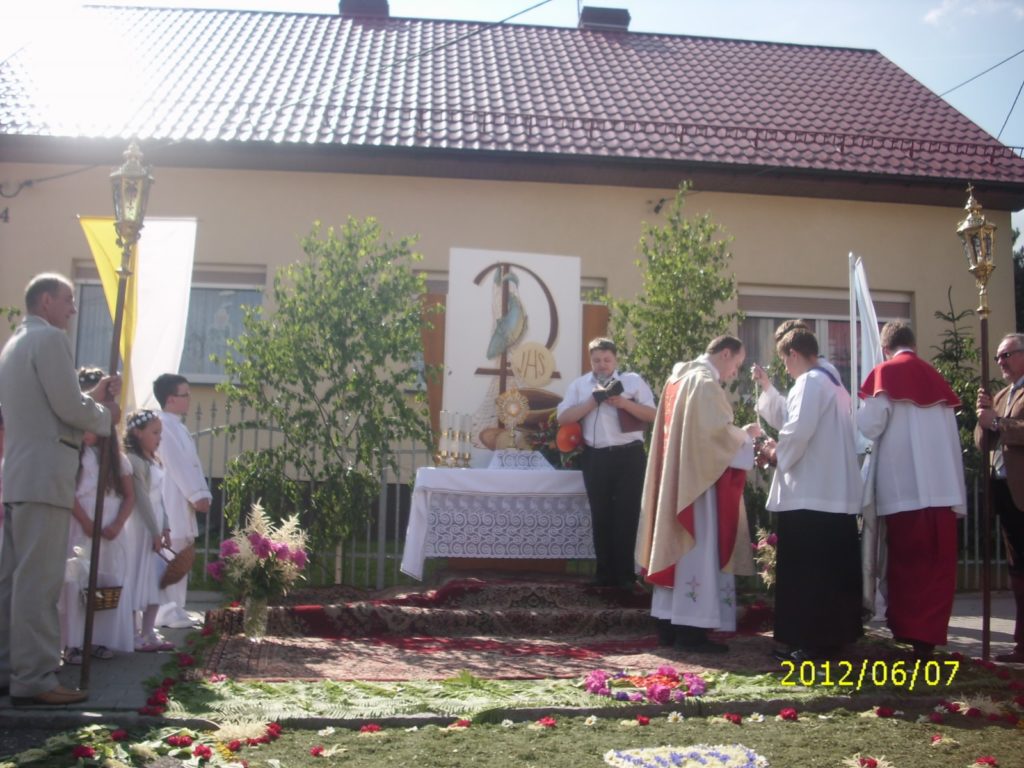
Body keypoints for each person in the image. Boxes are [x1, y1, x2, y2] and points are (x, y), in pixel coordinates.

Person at [0, 273, 120, 706]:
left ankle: (9, 668)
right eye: (68, 299)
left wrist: (91, 396)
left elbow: (50, 401)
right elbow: (68, 407)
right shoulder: (50, 340)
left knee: (13, 582)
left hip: (21, 476)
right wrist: (105, 415)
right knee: (39, 583)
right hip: (46, 474)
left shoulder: (14, 344)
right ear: (46, 300)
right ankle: (35, 677)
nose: (73, 308)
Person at [635, 335, 760, 652]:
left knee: (675, 549)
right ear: (725, 353)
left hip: (675, 483)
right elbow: (716, 439)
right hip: (697, 487)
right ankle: (692, 632)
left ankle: (667, 624)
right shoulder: (704, 383)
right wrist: (745, 436)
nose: (734, 372)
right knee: (697, 549)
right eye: (736, 364)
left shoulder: (677, 378)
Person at [857, 321, 966, 659]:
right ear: (914, 344)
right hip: (943, 489)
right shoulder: (935, 377)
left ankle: (908, 630)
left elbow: (870, 425)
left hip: (904, 490)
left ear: (885, 349)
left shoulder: (885, 373)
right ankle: (927, 637)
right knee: (936, 569)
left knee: (906, 567)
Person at [759, 326, 862, 660]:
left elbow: (798, 431)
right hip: (833, 495)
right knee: (832, 574)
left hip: (811, 495)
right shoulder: (834, 383)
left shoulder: (810, 382)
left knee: (808, 574)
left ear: (793, 354)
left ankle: (808, 642)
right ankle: (831, 640)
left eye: (784, 361)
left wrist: (775, 453)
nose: (786, 369)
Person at [557, 338, 656, 588]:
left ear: (615, 360)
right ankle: (603, 574)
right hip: (596, 457)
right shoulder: (580, 385)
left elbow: (653, 414)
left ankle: (625, 576)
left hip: (629, 456)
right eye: (597, 360)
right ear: (590, 361)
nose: (602, 365)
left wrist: (623, 402)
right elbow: (563, 417)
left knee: (627, 514)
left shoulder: (632, 381)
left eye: (606, 360)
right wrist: (592, 402)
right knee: (600, 514)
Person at [62, 425, 136, 663]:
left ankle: (98, 637)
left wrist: (118, 524)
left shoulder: (118, 460)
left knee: (105, 582)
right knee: (77, 581)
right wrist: (85, 522)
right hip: (81, 524)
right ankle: (73, 642)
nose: (85, 431)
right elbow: (68, 491)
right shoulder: (73, 455)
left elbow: (130, 496)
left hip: (110, 528)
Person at [976, 332, 1024, 663]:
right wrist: (985, 416)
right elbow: (984, 443)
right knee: (1017, 566)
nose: (1001, 362)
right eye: (998, 357)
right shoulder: (1004, 394)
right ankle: (1021, 641)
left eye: (1007, 355)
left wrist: (997, 421)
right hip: (1005, 489)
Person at [153, 373, 212, 628]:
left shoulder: (178, 426)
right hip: (171, 498)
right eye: (184, 394)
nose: (189, 399)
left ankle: (177, 607)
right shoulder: (163, 425)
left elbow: (193, 465)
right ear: (170, 399)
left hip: (182, 500)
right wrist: (197, 495)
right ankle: (165, 611)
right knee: (172, 555)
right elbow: (176, 464)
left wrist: (203, 492)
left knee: (183, 553)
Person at [125, 409, 175, 653]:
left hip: (155, 525)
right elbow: (142, 500)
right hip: (140, 528)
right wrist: (154, 531)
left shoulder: (155, 461)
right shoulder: (134, 462)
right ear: (137, 433)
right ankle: (132, 633)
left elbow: (160, 498)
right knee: (136, 576)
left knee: (156, 579)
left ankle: (148, 631)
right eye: (154, 433)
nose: (159, 438)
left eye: (160, 433)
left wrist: (165, 525)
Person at [751, 319, 842, 430]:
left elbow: (795, 427)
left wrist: (780, 444)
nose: (786, 368)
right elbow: (788, 414)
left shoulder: (813, 378)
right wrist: (766, 384)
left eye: (784, 357)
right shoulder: (818, 373)